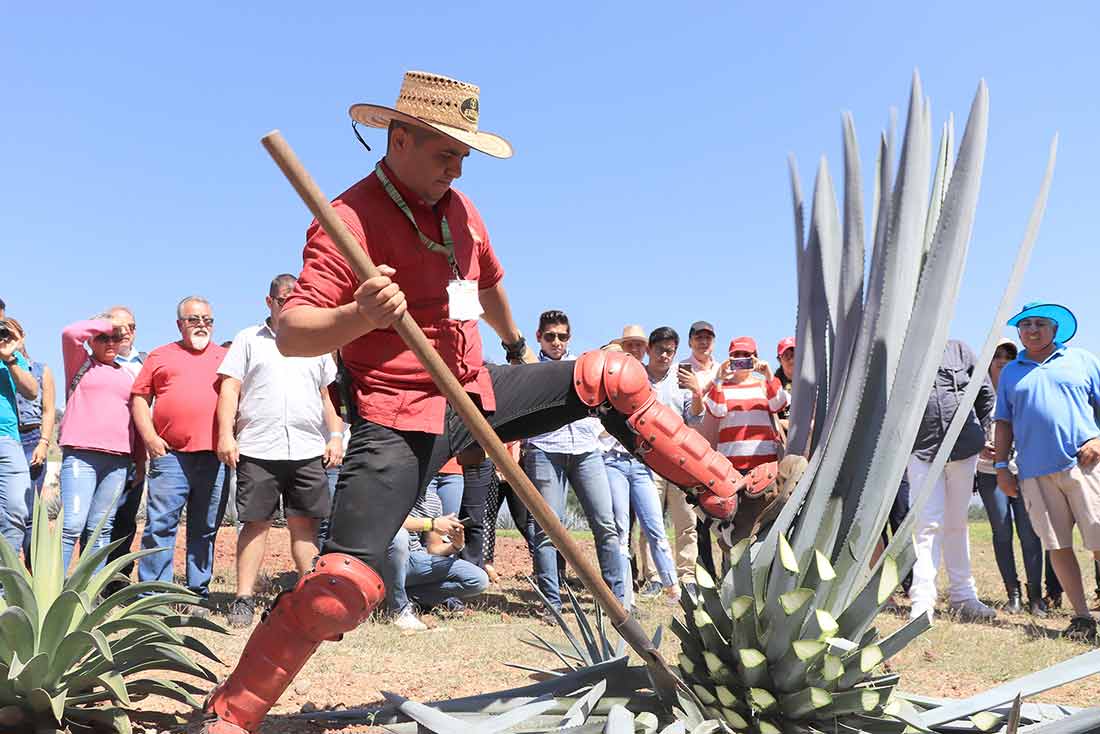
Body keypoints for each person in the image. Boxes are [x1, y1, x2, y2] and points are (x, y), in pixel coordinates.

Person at [204, 71, 750, 734]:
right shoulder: (346, 219)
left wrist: (517, 344)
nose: (457, 170)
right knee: (336, 596)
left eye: (463, 156)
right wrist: (359, 313)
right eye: (445, 154)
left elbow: (485, 284)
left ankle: (736, 499)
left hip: (476, 392)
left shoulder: (461, 211)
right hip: (398, 421)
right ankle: (230, 715)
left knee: (612, 376)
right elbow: (292, 333)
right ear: (398, 139)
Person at [216, 274, 345, 628]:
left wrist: (335, 436)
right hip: (258, 447)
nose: (287, 304)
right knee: (255, 524)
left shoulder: (316, 343)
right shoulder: (247, 339)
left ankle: (314, 598)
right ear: (268, 301)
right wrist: (226, 435)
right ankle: (243, 598)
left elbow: (327, 396)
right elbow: (230, 389)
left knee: (305, 526)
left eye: (294, 299)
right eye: (282, 299)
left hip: (307, 448)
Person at [995, 301, 1100, 640]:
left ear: (1055, 330)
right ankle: (1082, 618)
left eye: (1040, 324)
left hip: (1085, 465)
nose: (1032, 330)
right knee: (1057, 546)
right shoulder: (1012, 372)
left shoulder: (1081, 360)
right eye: (1025, 325)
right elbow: (1004, 422)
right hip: (1034, 474)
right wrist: (1001, 467)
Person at [132, 296, 230, 609]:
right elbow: (138, 398)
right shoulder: (160, 355)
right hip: (170, 457)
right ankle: (153, 597)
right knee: (160, 525)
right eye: (193, 319)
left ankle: (196, 594)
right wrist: (149, 438)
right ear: (179, 324)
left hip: (215, 457)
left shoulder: (227, 358)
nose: (202, 325)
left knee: (206, 528)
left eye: (207, 320)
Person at [522, 310, 623, 614]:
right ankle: (550, 604)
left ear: (569, 338)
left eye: (562, 336)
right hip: (543, 448)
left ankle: (616, 601)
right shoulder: (528, 368)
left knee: (606, 523)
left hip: (585, 449)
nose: (556, 341)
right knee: (547, 528)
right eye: (550, 336)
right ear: (538, 337)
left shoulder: (582, 366)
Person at [907, 339, 996, 622]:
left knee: (958, 523)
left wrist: (985, 433)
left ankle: (963, 596)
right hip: (920, 450)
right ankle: (922, 600)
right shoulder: (903, 347)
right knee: (926, 524)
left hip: (964, 448)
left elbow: (985, 393)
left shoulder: (960, 349)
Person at [600, 341, 678, 608]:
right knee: (621, 529)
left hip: (640, 463)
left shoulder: (643, 389)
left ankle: (672, 587)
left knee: (655, 526)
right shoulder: (596, 396)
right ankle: (625, 597)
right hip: (611, 461)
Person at [57, 316, 138, 572]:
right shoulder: (81, 363)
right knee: (72, 525)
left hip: (118, 460)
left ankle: (88, 594)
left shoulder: (127, 375)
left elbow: (137, 419)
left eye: (116, 337)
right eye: (104, 337)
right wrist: (108, 323)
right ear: (92, 339)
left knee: (100, 529)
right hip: (81, 455)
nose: (111, 342)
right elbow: (70, 332)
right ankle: (52, 589)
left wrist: (140, 460)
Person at [975, 338, 1046, 616]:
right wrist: (980, 445)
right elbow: (965, 426)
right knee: (1001, 532)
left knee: (1030, 533)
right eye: (997, 355)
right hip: (988, 473)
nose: (1003, 360)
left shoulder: (1022, 388)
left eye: (1009, 354)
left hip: (1023, 472)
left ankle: (1036, 597)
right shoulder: (976, 394)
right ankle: (1012, 593)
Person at [638, 327, 705, 596]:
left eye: (670, 351)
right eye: (660, 350)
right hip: (647, 458)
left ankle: (687, 576)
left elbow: (695, 418)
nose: (665, 355)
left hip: (679, 459)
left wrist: (698, 393)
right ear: (648, 350)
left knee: (686, 520)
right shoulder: (638, 377)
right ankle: (654, 577)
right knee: (649, 521)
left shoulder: (682, 377)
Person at [386, 478, 488, 631]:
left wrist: (456, 545)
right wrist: (432, 523)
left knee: (478, 580)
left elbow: (434, 548)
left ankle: (409, 596)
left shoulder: (433, 500)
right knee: (399, 536)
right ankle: (399, 609)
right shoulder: (392, 492)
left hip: (417, 561)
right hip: (388, 558)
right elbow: (389, 522)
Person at [6, 319, 56, 559]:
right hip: (9, 436)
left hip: (31, 439)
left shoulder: (39, 369)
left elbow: (48, 410)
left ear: (22, 336)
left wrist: (44, 443)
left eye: (10, 333)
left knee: (29, 510)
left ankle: (34, 570)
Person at [0, 317, 37, 553]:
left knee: (16, 509)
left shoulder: (12, 358)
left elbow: (32, 391)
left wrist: (10, 357)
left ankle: (5, 584)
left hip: (7, 440)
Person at [775, 336, 796, 427]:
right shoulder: (774, 385)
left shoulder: (812, 382)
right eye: (786, 355)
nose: (790, 359)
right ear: (779, 360)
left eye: (793, 354)